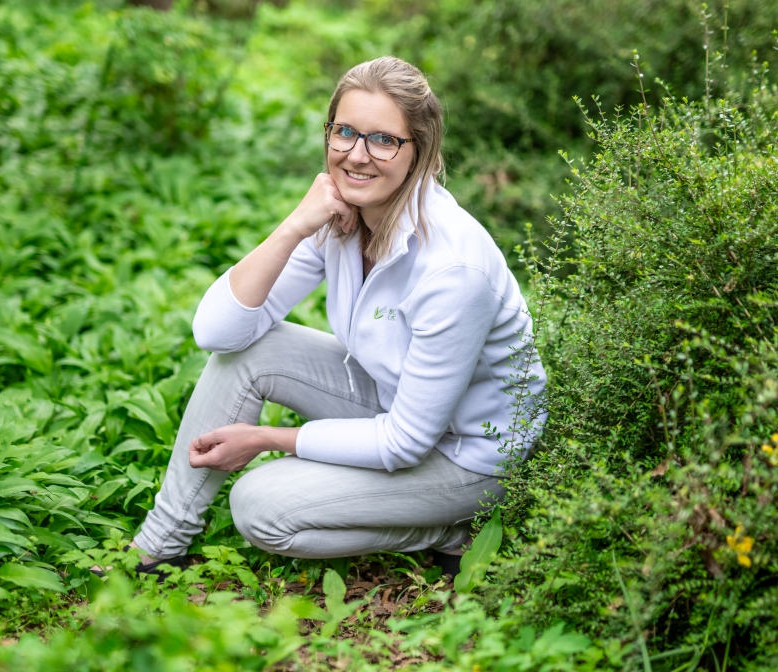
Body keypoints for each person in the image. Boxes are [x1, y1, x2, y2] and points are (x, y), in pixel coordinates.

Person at [127, 56, 545, 577]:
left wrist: (266, 440)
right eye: (344, 132)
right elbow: (218, 333)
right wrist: (295, 226)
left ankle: (448, 528)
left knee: (260, 506)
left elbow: (406, 440)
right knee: (250, 352)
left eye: (383, 140)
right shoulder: (340, 216)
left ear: (420, 150)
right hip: (394, 401)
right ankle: (159, 545)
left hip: (465, 456)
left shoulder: (453, 269)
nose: (357, 155)